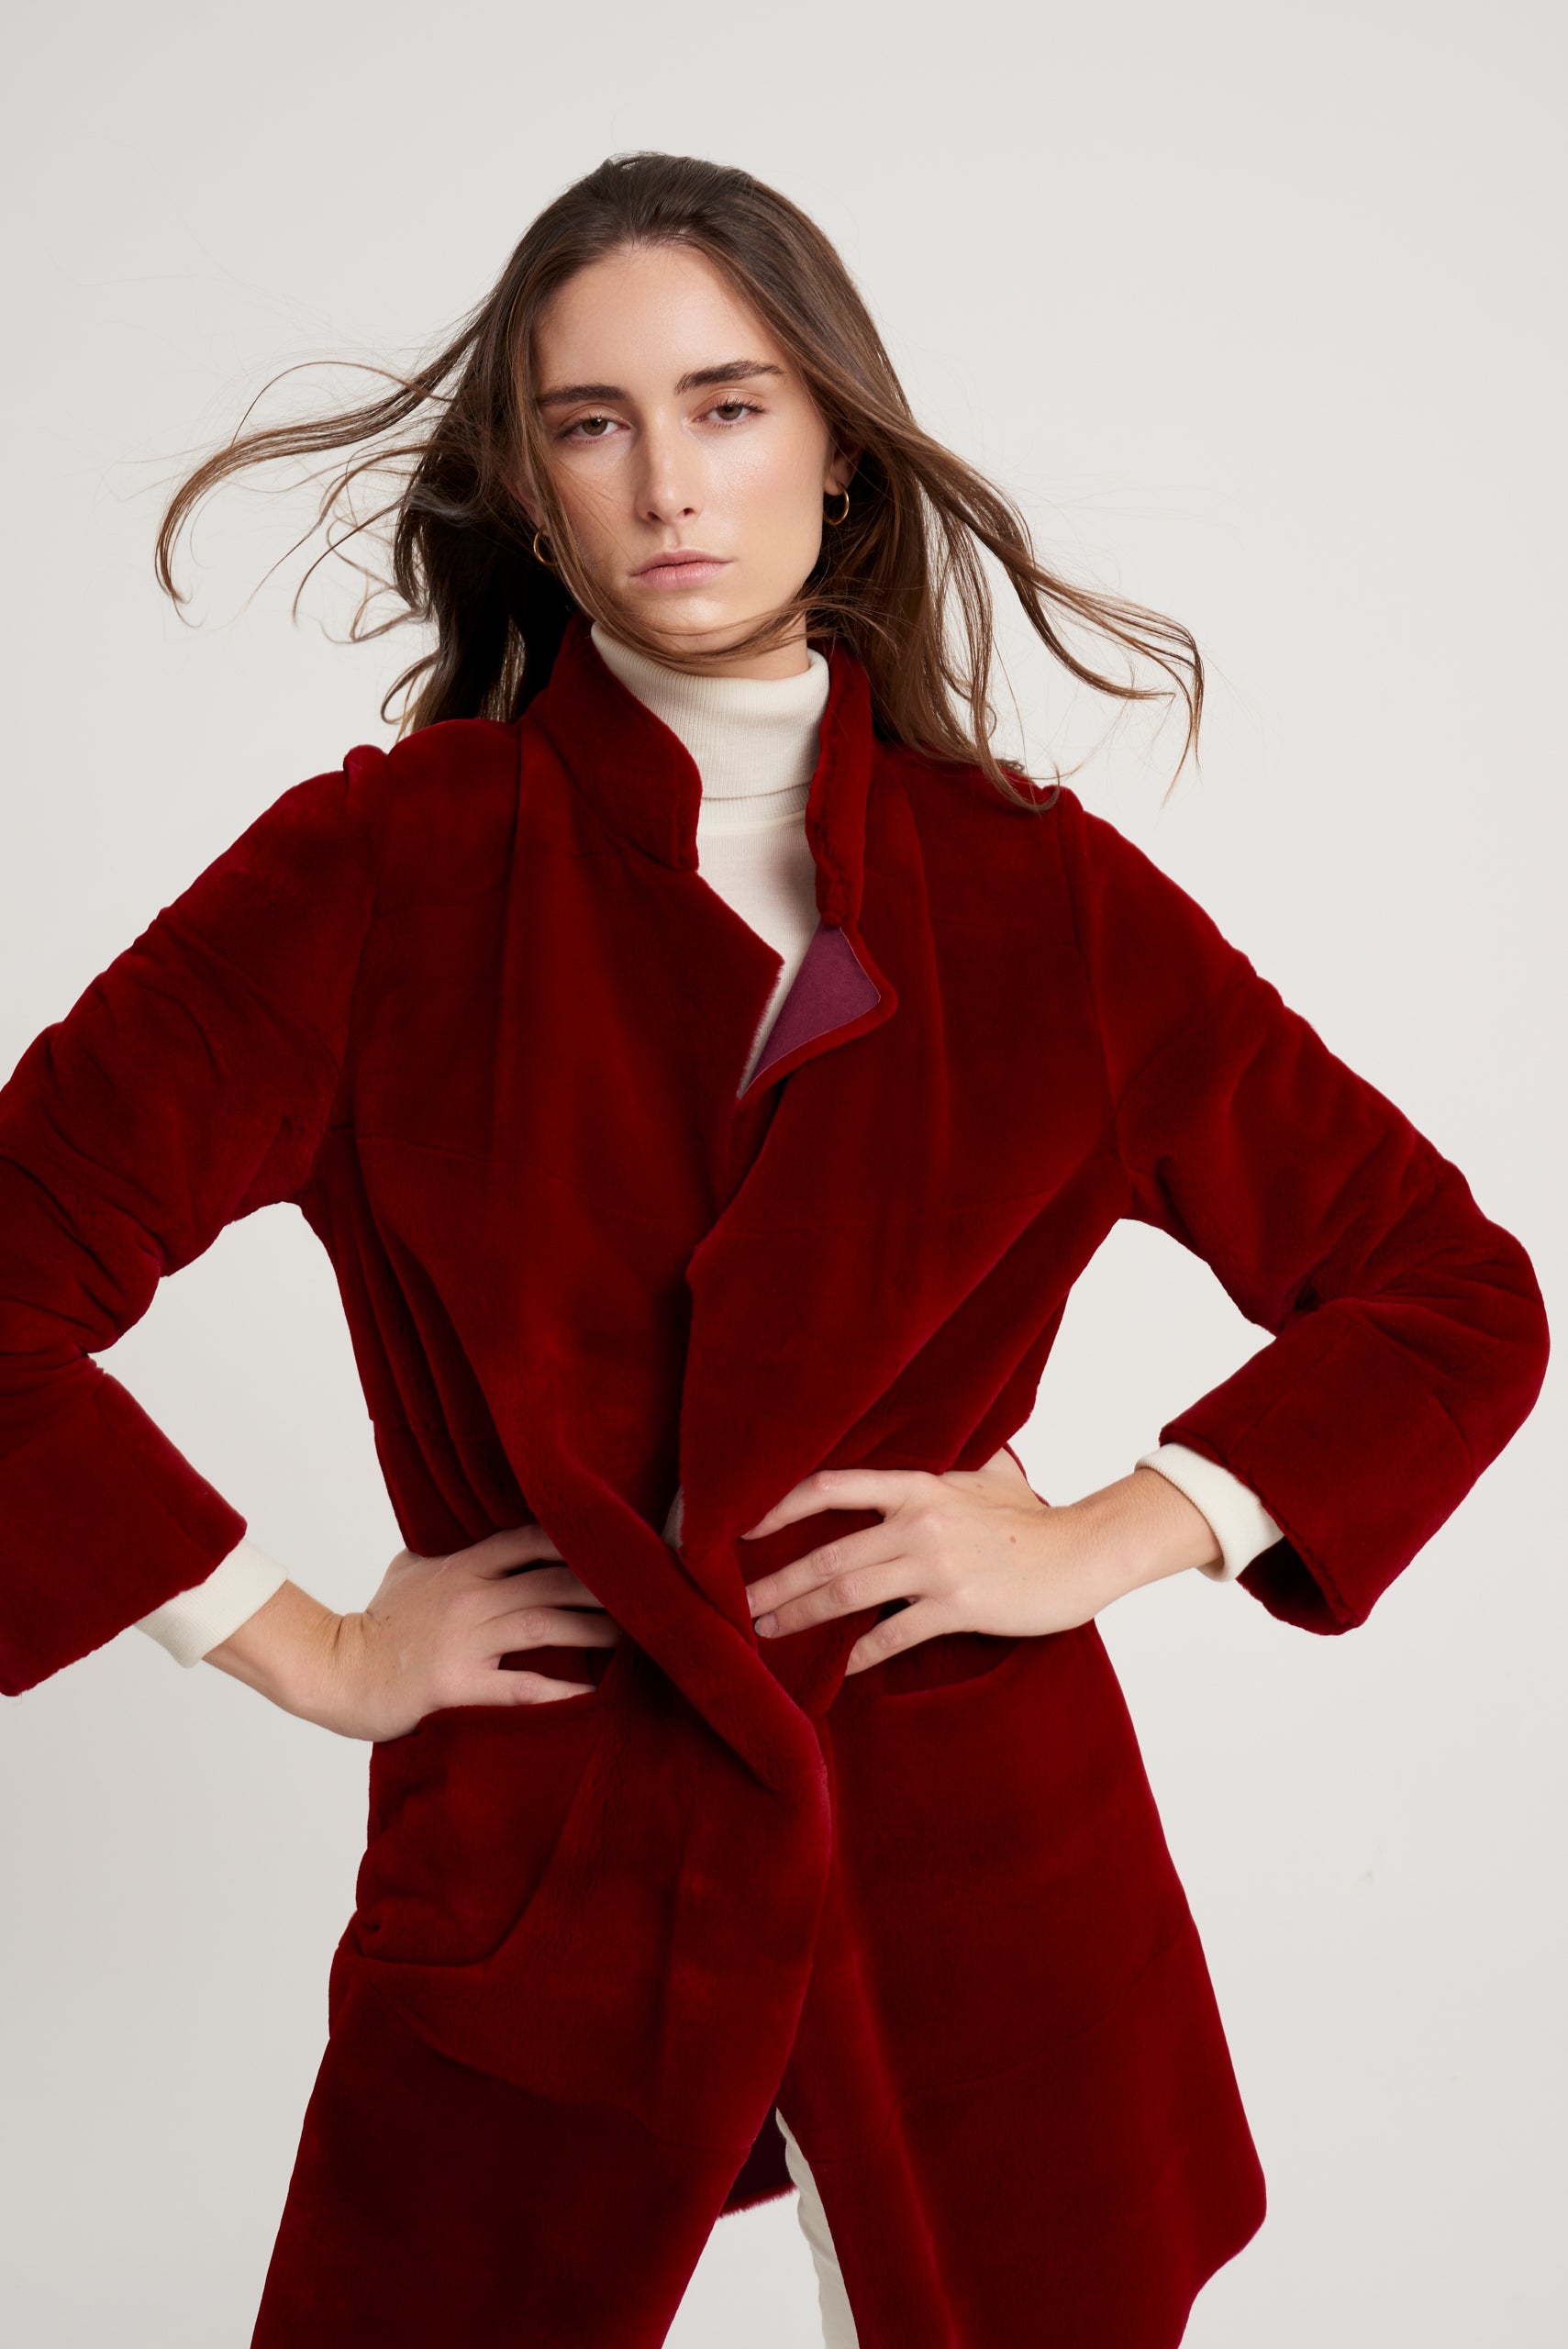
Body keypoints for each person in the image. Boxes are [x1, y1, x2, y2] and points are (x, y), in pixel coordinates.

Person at [0, 150, 1547, 2349]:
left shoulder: (1043, 899)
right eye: (592, 421)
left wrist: (1110, 1531)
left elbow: (1451, 1295)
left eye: (727, 406)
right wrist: (310, 1644)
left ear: (835, 443)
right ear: (527, 483)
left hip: (979, 1869)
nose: (668, 484)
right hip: (547, 1856)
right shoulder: (379, 877)